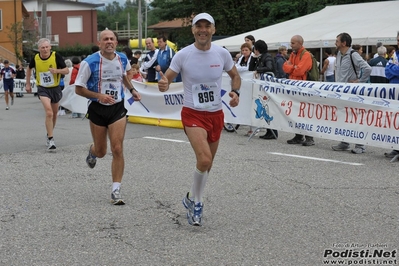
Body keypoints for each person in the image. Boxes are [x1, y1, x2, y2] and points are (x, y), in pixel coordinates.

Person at [158, 13, 240, 226]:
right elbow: (167, 77)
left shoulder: (221, 54)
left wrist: (235, 92)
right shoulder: (183, 54)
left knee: (207, 164)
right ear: (193, 30)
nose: (202, 30)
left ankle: (190, 196)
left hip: (215, 114)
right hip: (192, 113)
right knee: (204, 159)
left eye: (207, 26)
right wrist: (163, 83)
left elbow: (235, 76)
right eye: (198, 27)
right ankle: (197, 203)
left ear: (213, 29)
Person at [75, 29, 141, 205]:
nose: (109, 42)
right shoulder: (90, 62)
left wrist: (132, 90)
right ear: (100, 43)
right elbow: (78, 89)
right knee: (102, 151)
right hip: (97, 108)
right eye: (105, 39)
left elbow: (125, 76)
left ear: (117, 43)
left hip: (117, 108)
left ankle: (116, 190)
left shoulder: (123, 58)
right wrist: (99, 96)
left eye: (112, 39)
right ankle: (93, 151)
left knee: (117, 148)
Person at [25, 38, 69, 151]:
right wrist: (28, 84)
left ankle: (49, 132)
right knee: (49, 112)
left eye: (46, 47)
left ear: (50, 47)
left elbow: (66, 70)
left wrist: (57, 71)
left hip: (55, 88)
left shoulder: (56, 56)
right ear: (39, 49)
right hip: (43, 88)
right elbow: (29, 69)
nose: (44, 49)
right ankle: (51, 138)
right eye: (42, 48)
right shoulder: (35, 58)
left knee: (54, 114)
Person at [331, 32, 371, 154]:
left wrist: (359, 81)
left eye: (337, 41)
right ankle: (345, 142)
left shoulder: (353, 54)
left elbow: (368, 68)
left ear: (344, 43)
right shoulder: (339, 54)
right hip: (340, 92)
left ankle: (360, 145)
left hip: (352, 93)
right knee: (343, 117)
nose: (335, 43)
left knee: (356, 118)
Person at [282, 35, 314, 146]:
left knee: (306, 112)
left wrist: (292, 67)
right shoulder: (293, 54)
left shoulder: (306, 55)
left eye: (293, 43)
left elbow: (300, 71)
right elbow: (285, 67)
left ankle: (310, 137)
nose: (291, 45)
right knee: (296, 112)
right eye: (291, 42)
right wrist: (293, 68)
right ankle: (299, 136)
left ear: (300, 43)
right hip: (294, 87)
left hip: (304, 88)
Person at [250, 40, 279, 140]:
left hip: (269, 86)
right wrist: (253, 59)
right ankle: (269, 131)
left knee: (269, 107)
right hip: (263, 87)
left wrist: (258, 70)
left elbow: (269, 68)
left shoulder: (267, 57)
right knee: (265, 106)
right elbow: (251, 68)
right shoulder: (260, 57)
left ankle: (272, 131)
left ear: (257, 49)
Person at [384, 33, 399, 159]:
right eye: (398, 40)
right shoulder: (395, 55)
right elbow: (387, 71)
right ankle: (396, 147)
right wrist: (395, 69)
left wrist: (394, 69)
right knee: (395, 121)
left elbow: (391, 69)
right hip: (394, 94)